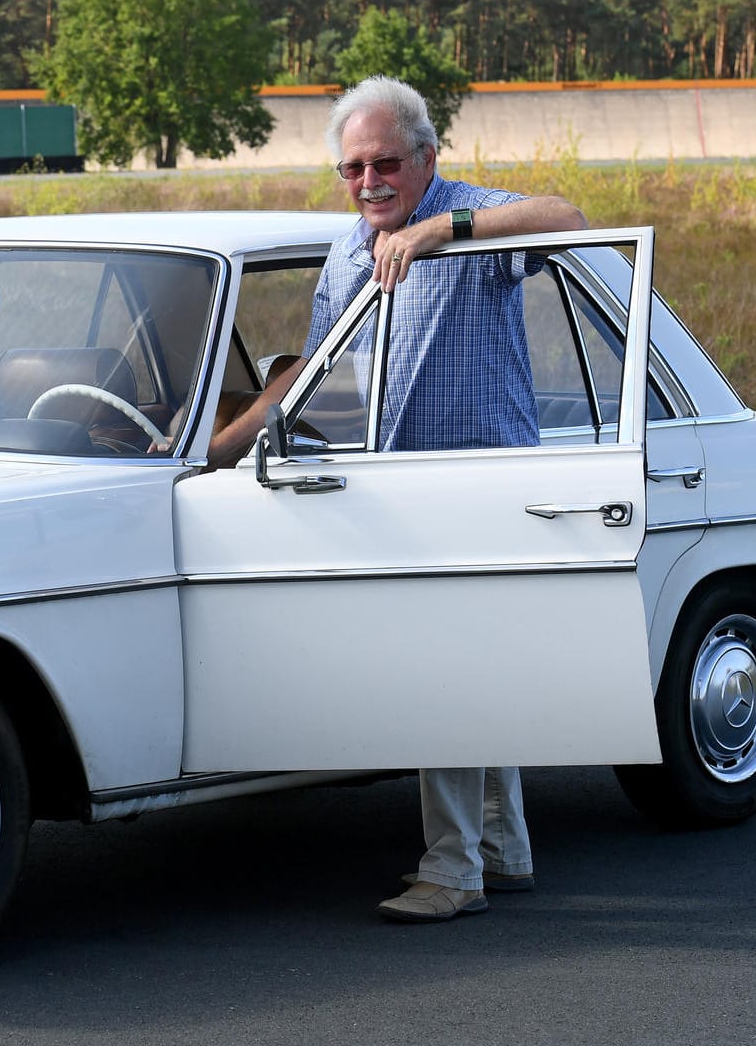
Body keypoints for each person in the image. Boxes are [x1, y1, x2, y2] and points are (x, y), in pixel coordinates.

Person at [207, 76, 587, 924]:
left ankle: (451, 872)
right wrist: (212, 456)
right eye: (352, 168)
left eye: (385, 163)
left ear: (426, 157)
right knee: (469, 674)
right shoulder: (348, 252)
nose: (369, 182)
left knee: (441, 677)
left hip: (487, 488)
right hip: (399, 490)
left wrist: (438, 232)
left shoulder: (465, 215)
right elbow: (309, 376)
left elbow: (570, 220)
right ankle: (502, 849)